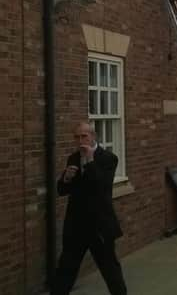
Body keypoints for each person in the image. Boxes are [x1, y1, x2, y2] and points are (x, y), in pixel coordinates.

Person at [52, 123, 126, 295]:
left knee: (110, 270)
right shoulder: (73, 158)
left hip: (100, 226)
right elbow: (62, 191)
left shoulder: (108, 158)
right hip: (76, 226)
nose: (80, 141)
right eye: (76, 137)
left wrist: (90, 160)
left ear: (93, 136)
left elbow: (101, 187)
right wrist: (66, 178)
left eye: (83, 136)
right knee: (65, 270)